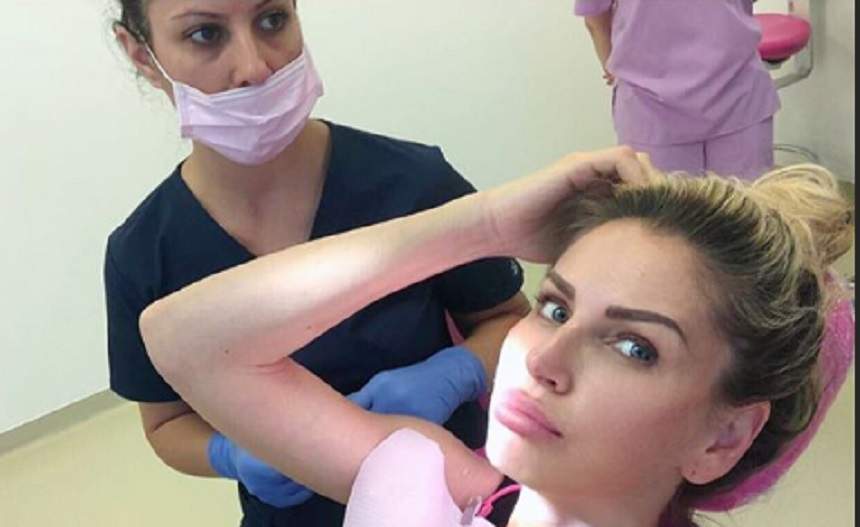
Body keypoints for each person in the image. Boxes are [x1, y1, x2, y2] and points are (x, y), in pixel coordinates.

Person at [139, 147, 854, 526]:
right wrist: (480, 226)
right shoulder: (432, 488)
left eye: (635, 347)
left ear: (722, 439)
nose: (544, 359)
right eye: (555, 309)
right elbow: (181, 339)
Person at [105, 1, 530, 524]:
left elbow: (510, 320)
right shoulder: (143, 254)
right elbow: (166, 425)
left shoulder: (413, 183)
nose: (255, 66)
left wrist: (456, 372)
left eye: (272, 20)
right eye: (205, 34)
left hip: (454, 499)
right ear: (141, 54)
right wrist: (229, 454)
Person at [575, 0, 781, 180]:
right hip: (728, 94)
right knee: (743, 207)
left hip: (728, 96)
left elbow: (595, 20)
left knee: (664, 210)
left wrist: (614, 66)